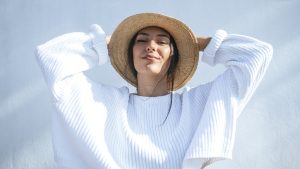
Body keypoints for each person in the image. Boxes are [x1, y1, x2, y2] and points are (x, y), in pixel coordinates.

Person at [35, 13, 273, 169]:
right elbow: (51, 56)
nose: (151, 46)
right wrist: (108, 42)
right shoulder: (104, 104)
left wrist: (195, 42)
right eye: (141, 40)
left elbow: (257, 55)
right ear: (130, 53)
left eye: (162, 41)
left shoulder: (197, 104)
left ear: (174, 55)